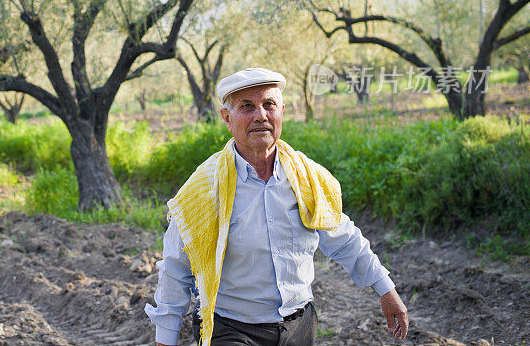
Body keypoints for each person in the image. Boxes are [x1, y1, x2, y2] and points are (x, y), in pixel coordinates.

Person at [145, 68, 409, 346]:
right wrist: (165, 339)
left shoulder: (307, 177)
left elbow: (344, 239)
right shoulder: (202, 189)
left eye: (268, 104)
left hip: (299, 326)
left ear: (281, 111)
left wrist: (385, 289)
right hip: (231, 330)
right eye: (247, 106)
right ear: (227, 118)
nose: (260, 115)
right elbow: (176, 269)